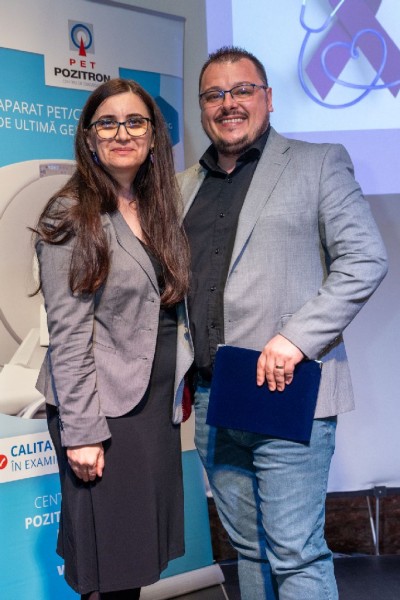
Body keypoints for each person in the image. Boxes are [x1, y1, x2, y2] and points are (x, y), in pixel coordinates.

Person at [179, 47, 388, 600]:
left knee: (295, 552)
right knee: (249, 550)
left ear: (268, 98)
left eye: (242, 90)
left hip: (286, 389)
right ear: (202, 107)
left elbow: (365, 259)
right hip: (213, 397)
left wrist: (296, 338)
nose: (228, 103)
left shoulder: (318, 163)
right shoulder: (182, 187)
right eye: (214, 94)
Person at [34, 78, 193, 600]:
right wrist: (82, 431)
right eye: (107, 123)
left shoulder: (157, 207)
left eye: (135, 122)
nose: (122, 133)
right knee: (109, 571)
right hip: (103, 411)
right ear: (88, 136)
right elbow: (68, 334)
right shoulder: (71, 214)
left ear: (153, 135)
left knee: (135, 561)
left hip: (151, 409)